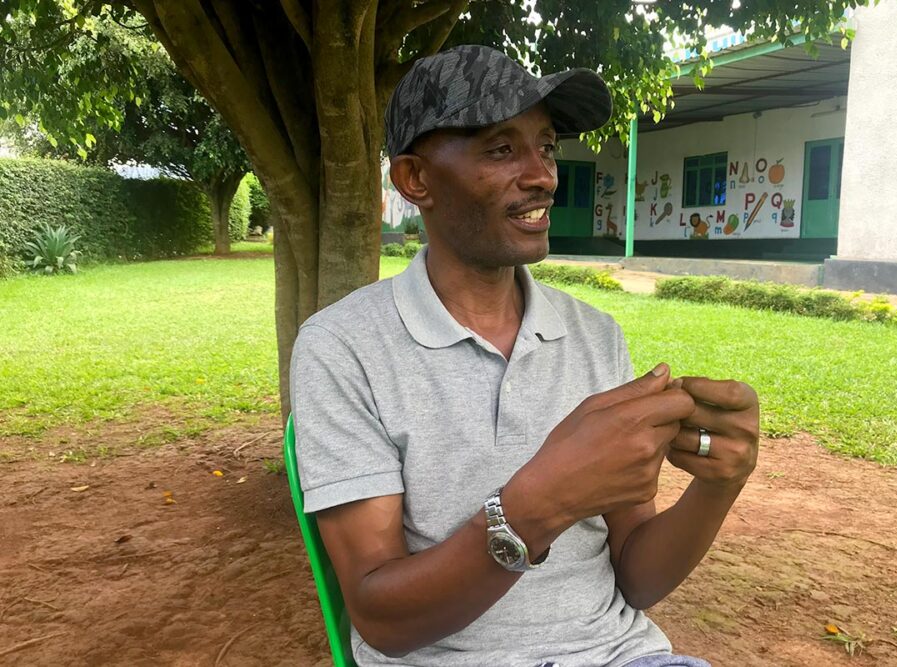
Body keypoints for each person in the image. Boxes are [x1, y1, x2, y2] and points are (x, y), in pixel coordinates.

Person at [290, 44, 760, 667]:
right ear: (415, 180)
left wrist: (719, 487)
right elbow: (382, 620)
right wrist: (539, 504)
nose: (543, 175)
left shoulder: (595, 335)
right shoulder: (342, 347)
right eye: (502, 149)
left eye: (547, 146)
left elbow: (638, 579)